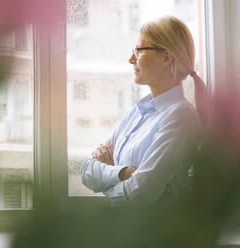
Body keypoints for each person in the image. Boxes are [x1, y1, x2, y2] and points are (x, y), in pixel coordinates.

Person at [80, 16, 209, 205]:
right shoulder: (137, 112)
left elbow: (140, 195)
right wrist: (125, 172)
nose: (131, 59)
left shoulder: (180, 116)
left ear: (166, 57)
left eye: (138, 51)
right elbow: (86, 171)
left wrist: (107, 181)